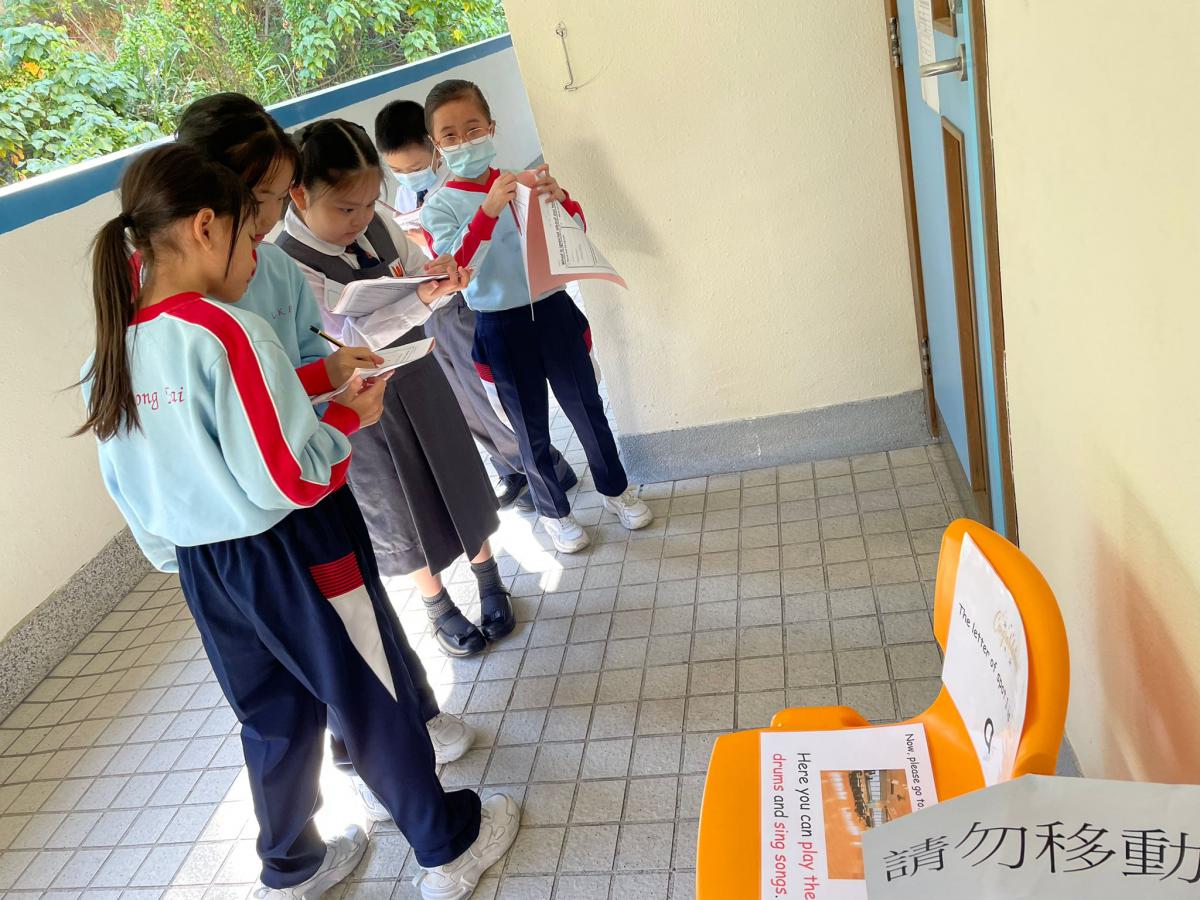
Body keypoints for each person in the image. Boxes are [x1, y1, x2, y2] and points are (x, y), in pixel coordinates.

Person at [77, 143, 519, 900]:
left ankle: (293, 866)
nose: (259, 252)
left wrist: (320, 377)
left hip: (206, 569)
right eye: (250, 233)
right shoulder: (226, 331)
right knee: (368, 692)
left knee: (271, 714)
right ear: (207, 227)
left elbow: (135, 478)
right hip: (292, 549)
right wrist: (348, 420)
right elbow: (291, 475)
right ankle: (447, 848)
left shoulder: (114, 345)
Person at [172, 92, 475, 819]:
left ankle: (317, 828)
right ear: (207, 208)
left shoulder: (247, 280)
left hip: (265, 514)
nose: (268, 222)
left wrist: (333, 377)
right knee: (342, 654)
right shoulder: (208, 316)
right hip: (284, 507)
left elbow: (306, 364)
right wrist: (339, 413)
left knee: (346, 634)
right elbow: (267, 438)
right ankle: (425, 817)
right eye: (266, 201)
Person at [276, 116, 514, 660]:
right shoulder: (286, 263)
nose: (360, 219)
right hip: (358, 398)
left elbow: (412, 268)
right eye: (345, 209)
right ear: (299, 194)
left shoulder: (376, 219)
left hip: (419, 370)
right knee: (396, 500)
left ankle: (488, 576)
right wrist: (420, 300)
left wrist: (435, 275)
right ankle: (437, 603)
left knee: (456, 472)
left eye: (368, 203)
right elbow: (345, 340)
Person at [420, 79, 653, 554]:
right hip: (498, 325)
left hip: (553, 311)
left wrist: (559, 198)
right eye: (450, 135)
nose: (464, 141)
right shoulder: (438, 207)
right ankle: (554, 514)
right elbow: (456, 270)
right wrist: (487, 210)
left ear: (491, 127)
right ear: (435, 145)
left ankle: (615, 489)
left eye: (473, 129)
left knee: (587, 408)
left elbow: (576, 232)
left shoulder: (522, 181)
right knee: (529, 429)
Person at [374, 98, 577, 512]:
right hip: (429, 306)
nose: (409, 176)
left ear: (435, 149)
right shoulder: (406, 196)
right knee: (462, 399)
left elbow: (479, 243)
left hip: (468, 303)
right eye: (398, 170)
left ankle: (546, 470)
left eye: (416, 166)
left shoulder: (461, 183)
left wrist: (436, 246)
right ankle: (510, 470)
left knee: (491, 396)